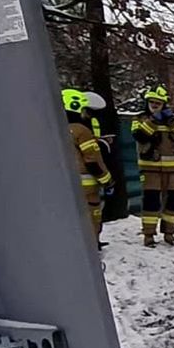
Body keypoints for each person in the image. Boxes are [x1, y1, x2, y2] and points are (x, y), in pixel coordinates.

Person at [132, 85, 174, 247]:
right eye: (152, 102)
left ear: (164, 104)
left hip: (171, 170)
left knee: (173, 201)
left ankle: (169, 234)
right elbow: (139, 136)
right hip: (150, 167)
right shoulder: (140, 119)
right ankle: (149, 235)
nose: (155, 105)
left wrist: (172, 121)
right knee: (151, 202)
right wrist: (153, 121)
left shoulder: (171, 120)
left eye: (158, 102)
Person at [65, 90, 115, 248]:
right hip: (87, 187)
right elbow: (92, 161)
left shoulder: (54, 130)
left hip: (64, 185)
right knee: (91, 217)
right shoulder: (81, 131)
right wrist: (108, 181)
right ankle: (92, 249)